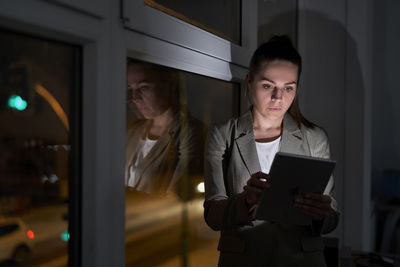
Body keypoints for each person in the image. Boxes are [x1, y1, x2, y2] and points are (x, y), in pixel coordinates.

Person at [204, 36, 339, 266]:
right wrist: (245, 202)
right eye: (268, 86)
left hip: (301, 260)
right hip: (244, 259)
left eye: (288, 88)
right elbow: (212, 215)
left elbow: (331, 219)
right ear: (249, 81)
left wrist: (321, 213)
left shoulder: (314, 138)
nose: (278, 98)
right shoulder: (223, 135)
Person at [125, 59, 204, 199]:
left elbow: (175, 197)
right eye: (131, 89)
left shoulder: (190, 133)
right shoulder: (133, 131)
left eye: (143, 87)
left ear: (170, 83)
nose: (135, 98)